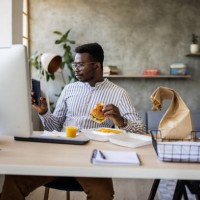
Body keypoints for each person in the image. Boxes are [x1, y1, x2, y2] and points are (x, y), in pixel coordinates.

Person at [0, 43, 146, 200]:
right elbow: (55, 126)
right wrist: (44, 112)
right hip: (59, 153)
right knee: (14, 179)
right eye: (75, 64)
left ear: (97, 65)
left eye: (81, 65)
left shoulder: (119, 94)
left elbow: (140, 130)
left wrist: (120, 120)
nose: (76, 69)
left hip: (92, 158)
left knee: (103, 194)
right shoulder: (69, 90)